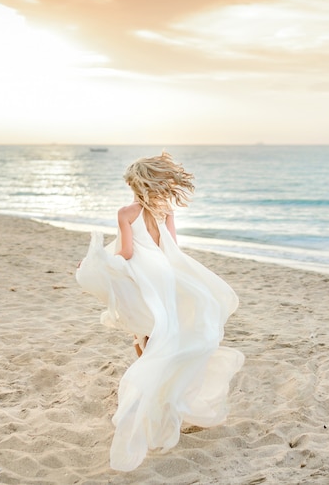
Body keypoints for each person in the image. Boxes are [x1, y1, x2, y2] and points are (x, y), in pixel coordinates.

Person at [76, 152, 244, 472]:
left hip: (143, 276)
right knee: (164, 333)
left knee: (146, 334)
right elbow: (173, 249)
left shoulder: (126, 212)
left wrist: (95, 264)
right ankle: (164, 397)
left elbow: (126, 252)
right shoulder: (166, 210)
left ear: (135, 184)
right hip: (165, 274)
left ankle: (151, 396)